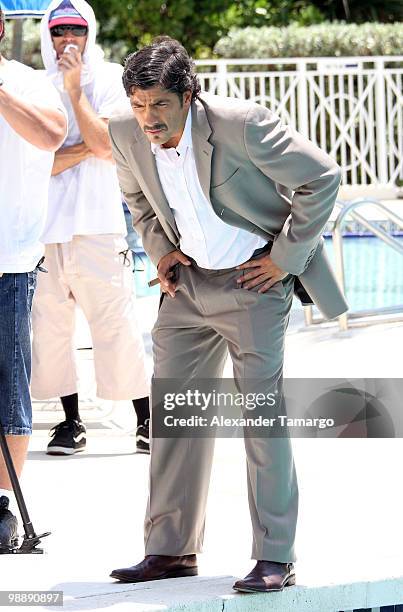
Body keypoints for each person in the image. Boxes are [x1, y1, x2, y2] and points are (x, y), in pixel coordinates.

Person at [108, 37, 347, 591]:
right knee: (176, 421)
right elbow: (137, 199)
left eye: (160, 105)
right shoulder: (123, 131)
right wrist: (159, 250)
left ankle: (275, 556)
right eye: (139, 104)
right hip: (186, 288)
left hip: (251, 283)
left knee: (261, 420)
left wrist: (285, 259)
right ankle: (170, 551)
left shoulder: (242, 124)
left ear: (188, 95)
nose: (148, 118)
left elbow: (322, 178)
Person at [31, 0, 151, 455]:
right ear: (49, 33)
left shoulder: (109, 78)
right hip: (46, 230)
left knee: (117, 323)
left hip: (99, 225)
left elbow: (108, 144)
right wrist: (86, 145)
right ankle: (70, 422)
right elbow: (40, 160)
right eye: (59, 31)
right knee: (52, 328)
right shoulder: (35, 86)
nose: (67, 40)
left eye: (75, 31)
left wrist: (76, 91)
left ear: (89, 32)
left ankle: (145, 418)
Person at [0, 7, 67, 550]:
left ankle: (3, 506)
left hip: (8, 262)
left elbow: (51, 135)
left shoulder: (28, 84)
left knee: (9, 385)